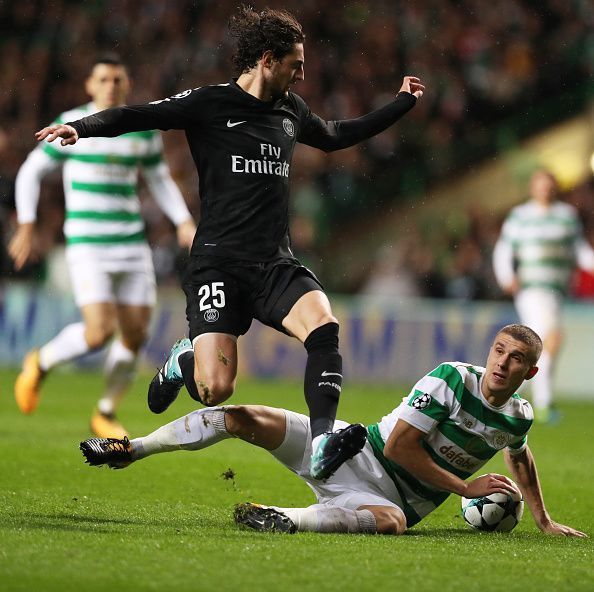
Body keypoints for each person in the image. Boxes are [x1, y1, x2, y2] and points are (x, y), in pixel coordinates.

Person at [35, 6, 425, 479]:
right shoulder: (211, 103)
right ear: (267, 59)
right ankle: (185, 358)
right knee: (217, 389)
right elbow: (142, 114)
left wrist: (401, 104)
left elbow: (339, 136)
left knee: (323, 326)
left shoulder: (291, 111)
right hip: (217, 265)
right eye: (295, 64)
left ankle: (322, 440)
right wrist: (84, 127)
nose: (302, 74)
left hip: (274, 262)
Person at [79, 324, 586, 537]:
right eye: (499, 350)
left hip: (390, 503)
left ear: (530, 374)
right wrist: (465, 487)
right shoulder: (452, 378)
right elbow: (398, 446)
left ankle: (279, 517)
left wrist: (542, 518)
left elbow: (518, 454)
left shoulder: (518, 415)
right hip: (357, 452)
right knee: (240, 417)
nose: (502, 362)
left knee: (392, 523)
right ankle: (132, 448)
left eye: (516, 359)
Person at [9, 54, 196, 439]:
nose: (111, 85)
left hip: (131, 243)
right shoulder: (72, 124)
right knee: (99, 332)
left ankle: (105, 411)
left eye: (117, 79)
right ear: (90, 86)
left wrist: (182, 220)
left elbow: (159, 179)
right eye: (104, 79)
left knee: (135, 333)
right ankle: (40, 361)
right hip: (88, 244)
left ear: (126, 86)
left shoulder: (140, 131)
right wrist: (27, 224)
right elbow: (31, 169)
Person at [493, 169, 594, 423]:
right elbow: (504, 248)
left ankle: (509, 394)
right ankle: (543, 402)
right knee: (551, 339)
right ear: (533, 187)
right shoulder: (521, 216)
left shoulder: (566, 216)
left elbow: (578, 249)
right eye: (541, 185)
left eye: (549, 185)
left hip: (557, 289)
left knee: (535, 346)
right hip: (532, 287)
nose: (545, 189)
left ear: (555, 187)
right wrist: (506, 276)